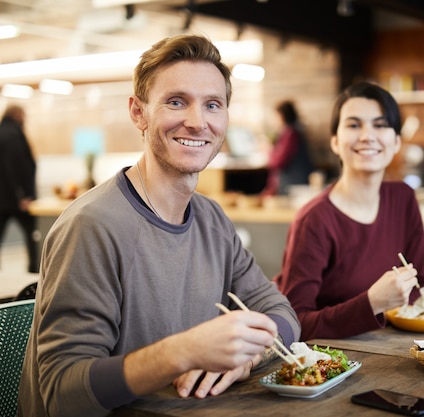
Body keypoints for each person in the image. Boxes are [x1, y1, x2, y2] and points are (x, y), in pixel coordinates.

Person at [17, 34, 301, 417]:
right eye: (176, 101)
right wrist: (182, 351)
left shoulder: (212, 218)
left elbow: (281, 313)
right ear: (138, 112)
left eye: (212, 105)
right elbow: (63, 394)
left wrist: (245, 359)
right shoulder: (92, 225)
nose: (197, 122)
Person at [274, 81, 424, 341]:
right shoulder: (315, 219)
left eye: (380, 125)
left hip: (395, 352)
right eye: (353, 125)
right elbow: (295, 323)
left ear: (396, 142)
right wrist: (371, 304)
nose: (367, 136)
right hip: (332, 365)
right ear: (335, 142)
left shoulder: (403, 198)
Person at [0, 104, 39, 273]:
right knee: (33, 236)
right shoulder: (14, 135)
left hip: (3, 198)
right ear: (17, 115)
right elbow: (15, 166)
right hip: (16, 200)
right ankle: (34, 272)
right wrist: (22, 195)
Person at [262, 100, 314, 196]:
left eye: (275, 116)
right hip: (293, 183)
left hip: (293, 186)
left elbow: (279, 161)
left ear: (282, 116)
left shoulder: (291, 134)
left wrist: (269, 150)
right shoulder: (290, 132)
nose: (274, 120)